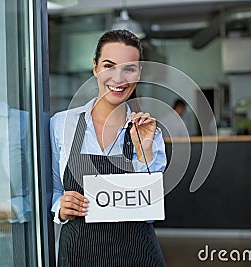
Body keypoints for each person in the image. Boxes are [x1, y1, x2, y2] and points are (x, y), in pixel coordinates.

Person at [50, 29, 167, 266]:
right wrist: (60, 208)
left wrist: (143, 150)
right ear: (95, 68)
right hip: (78, 255)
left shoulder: (149, 132)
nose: (118, 78)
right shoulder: (62, 124)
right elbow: (52, 189)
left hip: (137, 255)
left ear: (138, 73)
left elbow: (150, 207)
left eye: (129, 68)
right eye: (109, 65)